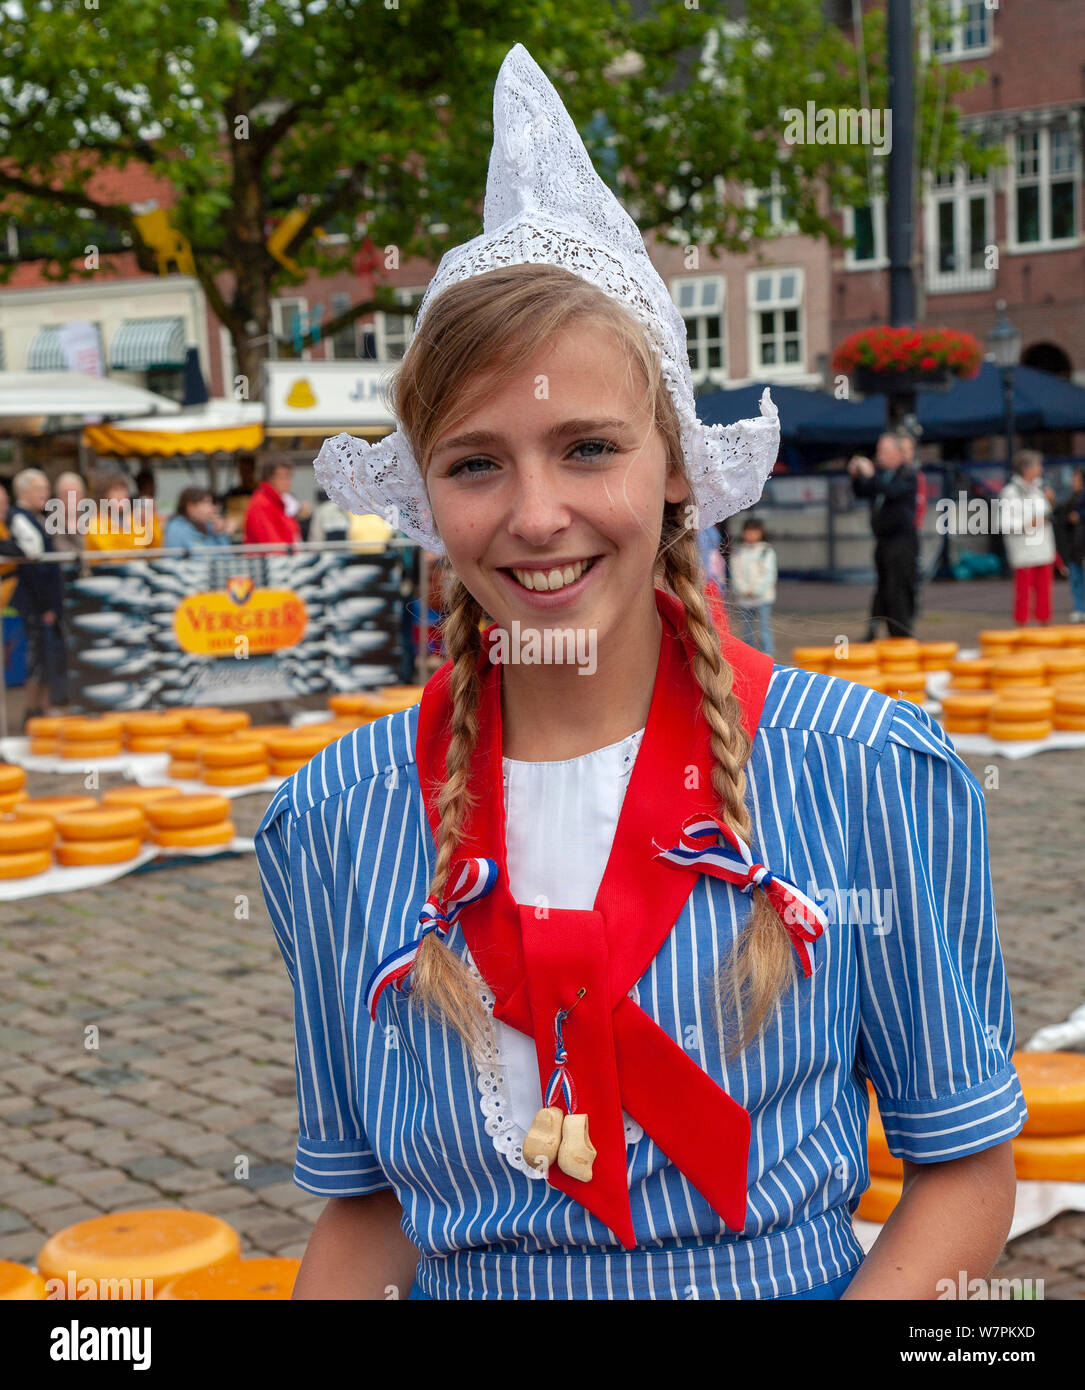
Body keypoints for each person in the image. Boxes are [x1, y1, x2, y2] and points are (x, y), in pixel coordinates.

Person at [255, 44, 1022, 1303]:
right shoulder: (335, 824)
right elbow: (367, 1215)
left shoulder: (861, 770)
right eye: (475, 463)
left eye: (587, 446)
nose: (536, 513)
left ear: (674, 463)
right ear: (426, 495)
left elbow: (964, 1171)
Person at [7, 468, 69, 718]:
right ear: (23, 492)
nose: (45, 494)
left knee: (44, 659)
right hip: (35, 603)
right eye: (39, 489)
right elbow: (34, 564)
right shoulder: (19, 517)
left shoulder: (34, 518)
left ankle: (41, 709)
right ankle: (34, 712)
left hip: (41, 602)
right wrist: (46, 606)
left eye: (46, 488)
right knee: (37, 659)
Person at [848, 432, 918, 640]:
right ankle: (874, 632)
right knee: (883, 587)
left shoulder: (907, 475)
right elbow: (863, 490)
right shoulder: (882, 475)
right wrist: (856, 477)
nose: (879, 455)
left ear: (898, 453)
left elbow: (892, 491)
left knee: (899, 589)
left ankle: (901, 635)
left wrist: (869, 475)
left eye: (884, 451)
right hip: (883, 541)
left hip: (902, 541)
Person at [999, 450, 1056, 626]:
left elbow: (1048, 514)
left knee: (1044, 592)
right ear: (1026, 468)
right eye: (1037, 465)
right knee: (1024, 594)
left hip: (1043, 549)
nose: (1040, 469)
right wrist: (1028, 524)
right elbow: (1005, 524)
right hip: (1023, 552)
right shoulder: (1010, 493)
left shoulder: (1039, 490)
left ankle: (1044, 628)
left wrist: (1051, 501)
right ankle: (1022, 628)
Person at [728, 516, 776, 656]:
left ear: (761, 533)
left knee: (763, 629)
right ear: (743, 533)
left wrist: (757, 590)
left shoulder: (766, 551)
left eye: (754, 532)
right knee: (747, 631)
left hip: (763, 598)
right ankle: (749, 657)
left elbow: (769, 574)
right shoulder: (738, 552)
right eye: (748, 531)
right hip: (744, 599)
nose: (751, 535)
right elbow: (735, 573)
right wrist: (742, 590)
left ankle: (768, 657)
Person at [243, 458, 303, 547]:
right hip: (272, 559)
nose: (288, 481)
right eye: (283, 477)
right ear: (269, 478)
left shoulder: (279, 501)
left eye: (289, 476)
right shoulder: (261, 504)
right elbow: (271, 545)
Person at [1056, 467, 1085, 622]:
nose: (1073, 482)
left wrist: (1079, 516)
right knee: (1075, 579)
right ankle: (1079, 608)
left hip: (1081, 547)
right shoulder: (1069, 500)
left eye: (1076, 479)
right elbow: (1063, 522)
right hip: (1073, 547)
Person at [164, 487, 235, 549]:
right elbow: (172, 561)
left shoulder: (211, 527)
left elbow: (227, 557)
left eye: (211, 503)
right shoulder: (177, 529)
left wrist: (220, 532)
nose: (212, 509)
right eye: (206, 503)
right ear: (191, 507)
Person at [220, 451, 258, 530]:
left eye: (247, 470)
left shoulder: (261, 491)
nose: (244, 473)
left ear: (253, 470)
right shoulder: (233, 493)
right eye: (242, 470)